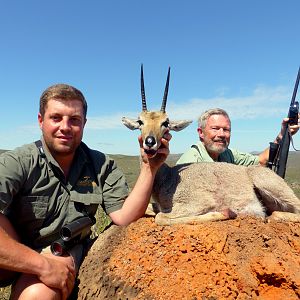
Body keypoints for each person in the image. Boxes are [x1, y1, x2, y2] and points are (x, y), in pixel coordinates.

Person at [0, 84, 171, 300]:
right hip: (17, 249)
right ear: (40, 121)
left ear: (84, 124)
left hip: (62, 250)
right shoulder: (18, 161)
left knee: (36, 295)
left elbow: (124, 215)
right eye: (56, 118)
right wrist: (41, 265)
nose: (65, 127)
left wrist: (149, 167)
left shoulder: (100, 164)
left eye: (74, 120)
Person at [176, 108, 299, 166]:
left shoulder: (228, 154)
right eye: (215, 128)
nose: (221, 134)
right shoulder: (190, 162)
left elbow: (261, 161)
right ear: (200, 133)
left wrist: (282, 136)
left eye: (226, 129)